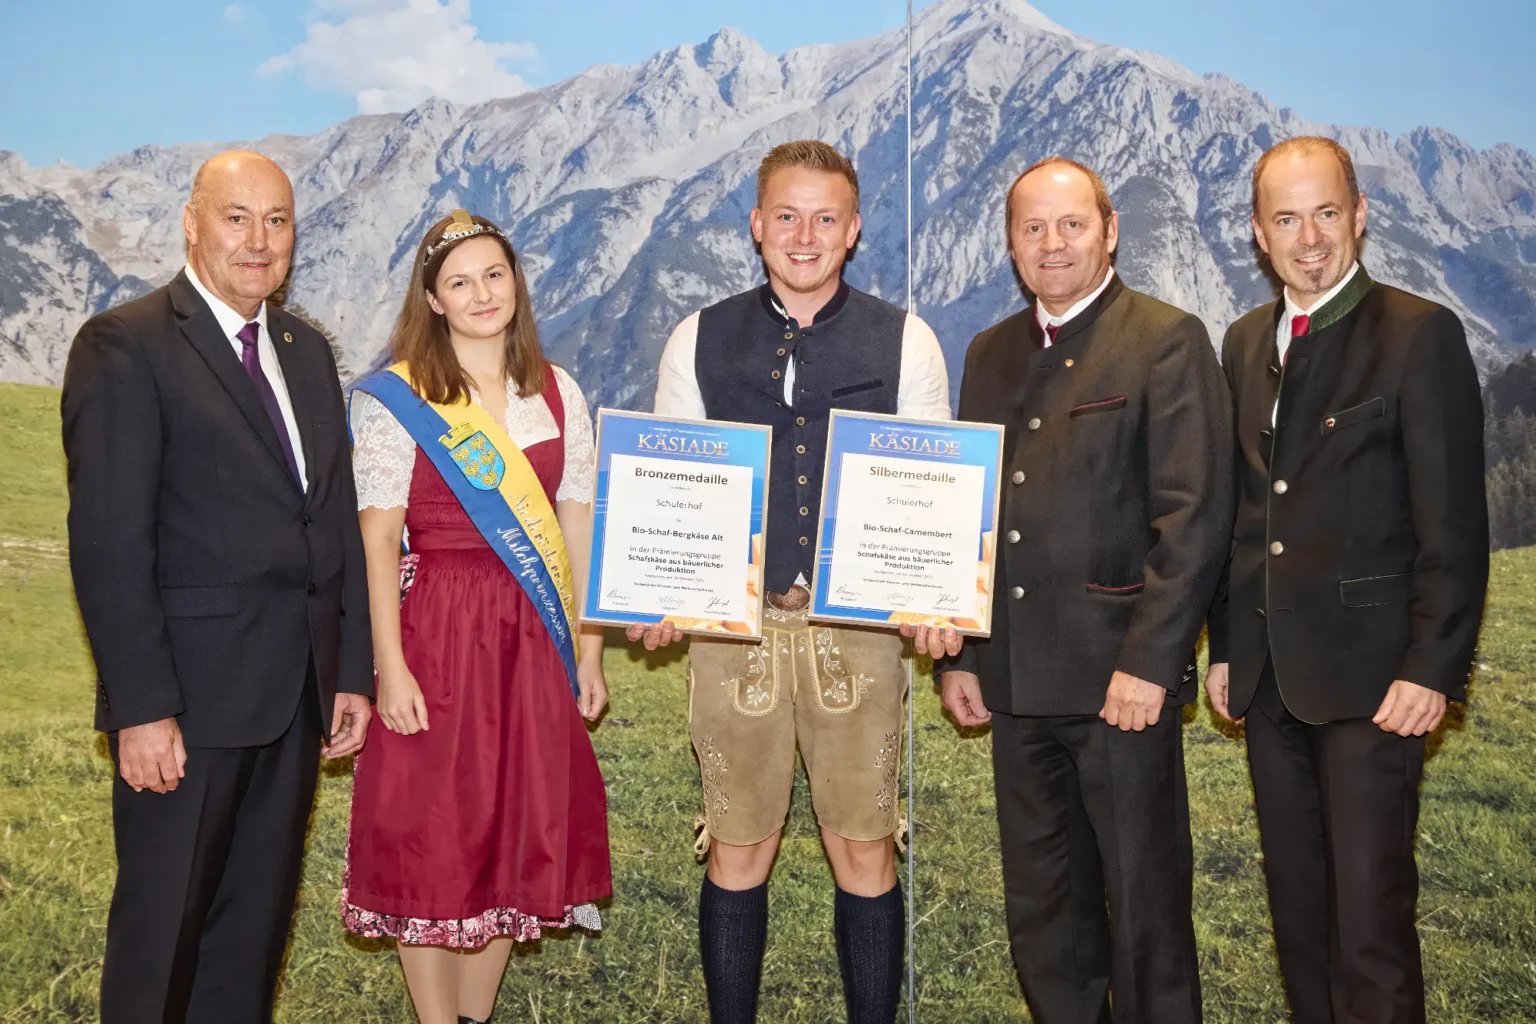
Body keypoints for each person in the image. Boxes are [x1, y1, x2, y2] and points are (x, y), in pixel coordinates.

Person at [631, 139, 951, 1023]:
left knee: (864, 851)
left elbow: (930, 491)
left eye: (824, 219)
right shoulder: (697, 336)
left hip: (862, 634)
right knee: (739, 848)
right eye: (786, 215)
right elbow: (677, 488)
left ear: (852, 231)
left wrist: (931, 603)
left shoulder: (906, 339)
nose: (803, 236)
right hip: (736, 631)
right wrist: (665, 596)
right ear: (755, 225)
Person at [61, 150, 374, 1023]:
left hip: (294, 698)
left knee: (250, 942)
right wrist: (141, 708)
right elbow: (109, 544)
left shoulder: (306, 350)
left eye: (277, 221)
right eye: (237, 217)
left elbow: (333, 520)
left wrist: (350, 670)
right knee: (162, 940)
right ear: (192, 222)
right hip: (187, 708)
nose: (259, 240)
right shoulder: (127, 344)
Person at [924, 156, 1231, 1024]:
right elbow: (970, 515)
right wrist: (963, 654)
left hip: (1118, 688)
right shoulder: (989, 352)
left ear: (1110, 230)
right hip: (1014, 687)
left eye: (1070, 225)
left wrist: (1150, 664)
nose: (1051, 244)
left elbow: (1195, 520)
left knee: (1144, 918)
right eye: (1032, 228)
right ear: (1012, 244)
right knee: (1045, 917)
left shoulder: (1166, 338)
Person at [1205, 137, 1488, 1024]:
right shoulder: (1244, 342)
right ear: (1258, 235)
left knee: (1369, 930)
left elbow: (1454, 527)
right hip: (1268, 682)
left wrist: (1432, 669)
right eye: (1286, 219)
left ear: (1360, 215)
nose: (1311, 238)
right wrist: (1225, 647)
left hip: (1376, 685)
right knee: (1299, 920)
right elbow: (1241, 515)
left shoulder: (1419, 333)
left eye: (1327, 213)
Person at [340, 210, 610, 1024]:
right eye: (460, 281)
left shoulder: (558, 391)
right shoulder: (399, 397)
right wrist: (389, 664)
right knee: (432, 825)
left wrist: (589, 653)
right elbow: (378, 537)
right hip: (439, 629)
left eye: (495, 274)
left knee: (513, 821)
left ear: (516, 283)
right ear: (433, 298)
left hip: (534, 635)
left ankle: (476, 1015)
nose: (482, 293)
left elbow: (577, 526)